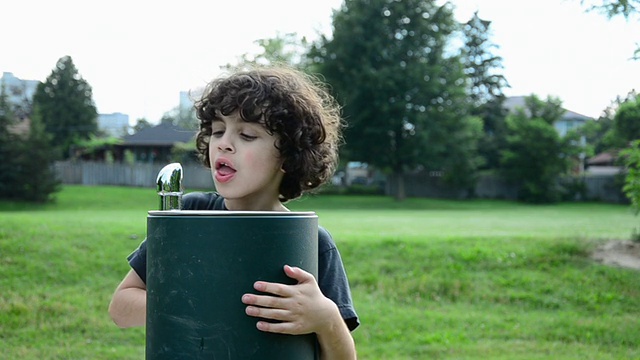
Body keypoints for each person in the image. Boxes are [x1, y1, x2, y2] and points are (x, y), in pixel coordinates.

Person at [108, 65, 359, 359]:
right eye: (217, 131)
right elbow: (121, 308)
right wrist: (201, 301)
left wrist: (326, 318)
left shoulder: (312, 243)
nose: (224, 144)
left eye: (247, 135)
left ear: (289, 157)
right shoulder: (189, 216)